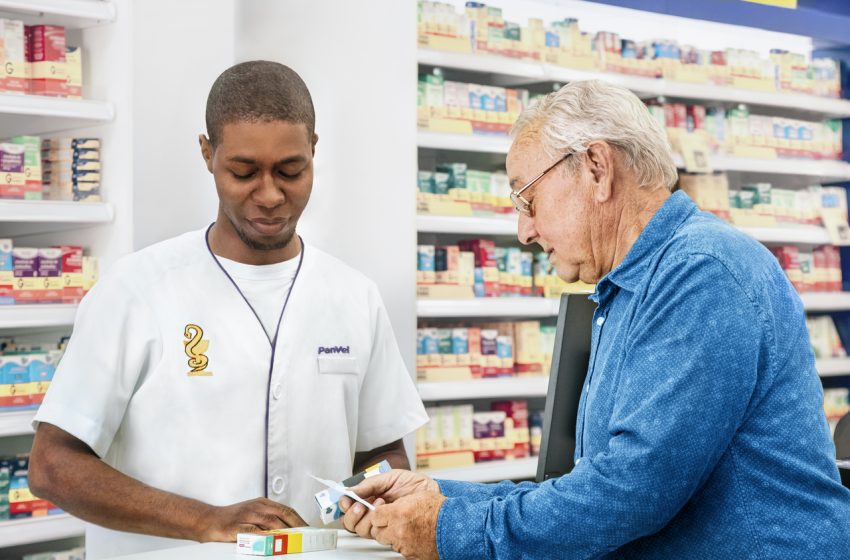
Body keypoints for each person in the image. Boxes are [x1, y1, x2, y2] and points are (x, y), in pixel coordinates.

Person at [340, 80, 850, 559]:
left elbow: (632, 492)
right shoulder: (630, 286)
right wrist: (439, 495)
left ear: (597, 169)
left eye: (527, 199)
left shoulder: (702, 272)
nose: (525, 231)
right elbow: (593, 482)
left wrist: (447, 528)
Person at [27, 61, 427, 559]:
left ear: (314, 152)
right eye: (243, 172)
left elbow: (381, 453)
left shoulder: (354, 296)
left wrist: (367, 497)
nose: (269, 195)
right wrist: (205, 521)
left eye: (291, 170)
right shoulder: (136, 289)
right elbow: (52, 465)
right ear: (207, 154)